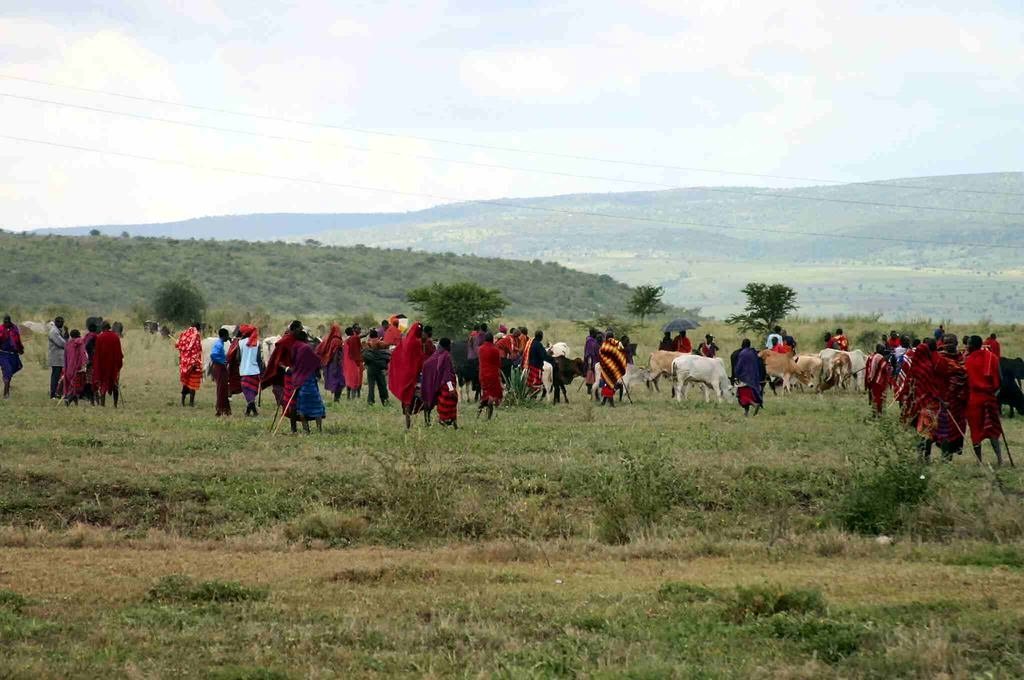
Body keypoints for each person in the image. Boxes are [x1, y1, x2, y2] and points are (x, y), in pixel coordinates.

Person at [964, 335, 1004, 465]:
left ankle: (979, 460)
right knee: (993, 429)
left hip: (974, 400)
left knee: (975, 430)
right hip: (989, 398)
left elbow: (965, 382)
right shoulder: (992, 358)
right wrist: (994, 394)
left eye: (968, 344)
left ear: (972, 345)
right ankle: (999, 459)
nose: (966, 346)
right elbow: (1000, 380)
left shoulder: (967, 360)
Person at [933, 335, 967, 460]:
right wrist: (941, 399)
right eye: (947, 342)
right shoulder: (939, 359)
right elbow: (934, 380)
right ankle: (944, 457)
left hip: (958, 402)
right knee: (944, 430)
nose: (949, 345)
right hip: (943, 401)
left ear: (957, 343)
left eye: (952, 342)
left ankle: (950, 456)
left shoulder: (961, 357)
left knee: (958, 430)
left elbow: (964, 376)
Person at [286, 330, 326, 433]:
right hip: (309, 381)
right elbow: (317, 361)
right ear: (305, 338)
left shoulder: (295, 347)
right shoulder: (307, 348)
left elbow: (293, 365)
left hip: (299, 381)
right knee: (316, 405)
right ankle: (319, 430)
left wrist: (287, 370)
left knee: (302, 406)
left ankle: (306, 430)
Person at [388, 321, 425, 428]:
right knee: (423, 395)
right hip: (414, 374)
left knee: (407, 399)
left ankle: (407, 423)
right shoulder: (417, 343)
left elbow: (395, 354)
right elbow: (420, 359)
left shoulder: (404, 341)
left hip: (404, 374)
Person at [262, 320, 303, 407]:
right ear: (294, 329)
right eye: (300, 329)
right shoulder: (284, 342)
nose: (301, 330)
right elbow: (277, 360)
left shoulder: (298, 341)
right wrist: (286, 368)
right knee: (280, 390)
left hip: (295, 372)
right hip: (282, 372)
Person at [421, 336, 458, 427]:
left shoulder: (436, 354)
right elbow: (447, 374)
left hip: (432, 383)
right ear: (447, 346)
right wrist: (450, 388)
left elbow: (427, 366)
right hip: (445, 384)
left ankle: (429, 421)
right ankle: (445, 421)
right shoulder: (446, 356)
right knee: (451, 401)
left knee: (431, 403)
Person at [92, 322, 123, 407]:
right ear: (109, 327)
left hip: (103, 366)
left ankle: (102, 404)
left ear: (102, 328)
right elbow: (118, 353)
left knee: (103, 384)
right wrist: (118, 365)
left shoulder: (99, 337)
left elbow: (97, 354)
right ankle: (115, 404)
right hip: (113, 365)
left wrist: (96, 365)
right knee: (115, 383)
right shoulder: (115, 337)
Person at [175, 322, 204, 407]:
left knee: (185, 382)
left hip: (184, 365)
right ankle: (191, 403)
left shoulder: (184, 334)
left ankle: (183, 402)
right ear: (198, 328)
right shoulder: (196, 335)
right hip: (193, 364)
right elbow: (198, 349)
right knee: (192, 384)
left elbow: (177, 345)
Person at [236, 324, 262, 416]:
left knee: (247, 392)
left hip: (244, 371)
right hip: (255, 371)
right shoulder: (258, 343)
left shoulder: (240, 343)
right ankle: (250, 412)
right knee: (252, 391)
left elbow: (238, 358)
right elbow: (259, 359)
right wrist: (262, 371)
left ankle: (252, 410)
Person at [733, 339, 764, 416]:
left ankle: (754, 404)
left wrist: (736, 374)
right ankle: (746, 413)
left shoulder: (742, 354)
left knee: (742, 395)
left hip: (744, 378)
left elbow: (739, 366)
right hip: (753, 378)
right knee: (750, 394)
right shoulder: (753, 353)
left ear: (742, 345)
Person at [597, 331, 627, 407]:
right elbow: (622, 355)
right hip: (614, 369)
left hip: (606, 369)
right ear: (613, 337)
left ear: (606, 337)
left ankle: (607, 402)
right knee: (610, 385)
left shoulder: (604, 345)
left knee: (607, 385)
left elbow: (600, 356)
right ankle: (610, 403)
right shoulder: (617, 344)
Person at [316, 323, 345, 402]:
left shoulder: (328, 339)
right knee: (340, 382)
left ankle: (335, 399)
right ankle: (336, 399)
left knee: (335, 381)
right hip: (335, 364)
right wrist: (335, 367)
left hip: (330, 363)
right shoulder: (337, 340)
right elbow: (335, 353)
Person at [478, 331, 503, 419]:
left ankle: (479, 410)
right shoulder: (495, 349)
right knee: (492, 395)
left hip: (483, 374)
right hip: (493, 374)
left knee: (485, 392)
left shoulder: (480, 349)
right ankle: (488, 416)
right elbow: (499, 363)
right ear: (492, 339)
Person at [362, 329, 390, 406]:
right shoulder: (381, 343)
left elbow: (364, 355)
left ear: (370, 336)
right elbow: (387, 352)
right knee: (382, 385)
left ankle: (370, 401)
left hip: (371, 367)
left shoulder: (367, 344)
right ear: (377, 335)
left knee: (371, 386)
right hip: (380, 367)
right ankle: (385, 401)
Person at [0, 315, 24, 399]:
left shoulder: (14, 328)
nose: (6, 323)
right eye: (4, 321)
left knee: (19, 366)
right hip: (3, 354)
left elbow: (18, 340)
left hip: (14, 354)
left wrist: (20, 349)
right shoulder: (1, 329)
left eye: (7, 321)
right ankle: (6, 395)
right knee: (8, 372)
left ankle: (6, 376)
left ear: (10, 321)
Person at [62, 329, 88, 405]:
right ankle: (69, 400)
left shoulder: (67, 344)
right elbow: (83, 354)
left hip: (68, 368)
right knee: (77, 386)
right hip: (77, 367)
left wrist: (65, 368)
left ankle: (75, 402)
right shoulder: (80, 343)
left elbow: (65, 357)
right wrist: (84, 365)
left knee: (71, 385)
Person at [865, 344, 891, 417]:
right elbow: (875, 369)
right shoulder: (878, 357)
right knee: (878, 398)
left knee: (876, 398)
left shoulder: (874, 356)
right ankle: (878, 414)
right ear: (878, 349)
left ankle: (876, 413)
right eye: (882, 349)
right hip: (878, 381)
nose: (883, 350)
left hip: (876, 381)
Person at [210, 328, 231, 416]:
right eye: (227, 335)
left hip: (220, 368)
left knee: (223, 389)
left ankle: (225, 410)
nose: (228, 337)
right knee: (221, 389)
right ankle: (219, 409)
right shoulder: (219, 344)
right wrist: (223, 362)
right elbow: (213, 355)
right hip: (219, 368)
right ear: (224, 336)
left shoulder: (221, 343)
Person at [47, 316, 68, 399]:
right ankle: (53, 394)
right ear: (55, 322)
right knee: (55, 376)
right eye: (59, 321)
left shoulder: (58, 330)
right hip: (56, 358)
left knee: (58, 375)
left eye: (62, 321)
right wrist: (69, 343)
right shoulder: (54, 331)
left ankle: (57, 393)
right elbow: (62, 343)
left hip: (59, 357)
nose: (61, 323)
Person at [526, 330, 548, 395]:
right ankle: (533, 397)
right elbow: (543, 356)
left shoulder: (531, 343)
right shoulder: (538, 345)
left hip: (530, 366)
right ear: (541, 337)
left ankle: (531, 397)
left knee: (530, 384)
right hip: (536, 367)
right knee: (536, 385)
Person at [583, 328, 600, 395]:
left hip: (595, 362)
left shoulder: (593, 340)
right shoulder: (590, 341)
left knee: (595, 378)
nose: (597, 334)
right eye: (596, 333)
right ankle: (591, 392)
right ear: (592, 334)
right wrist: (590, 364)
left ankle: (595, 393)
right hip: (591, 362)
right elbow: (589, 354)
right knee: (591, 377)